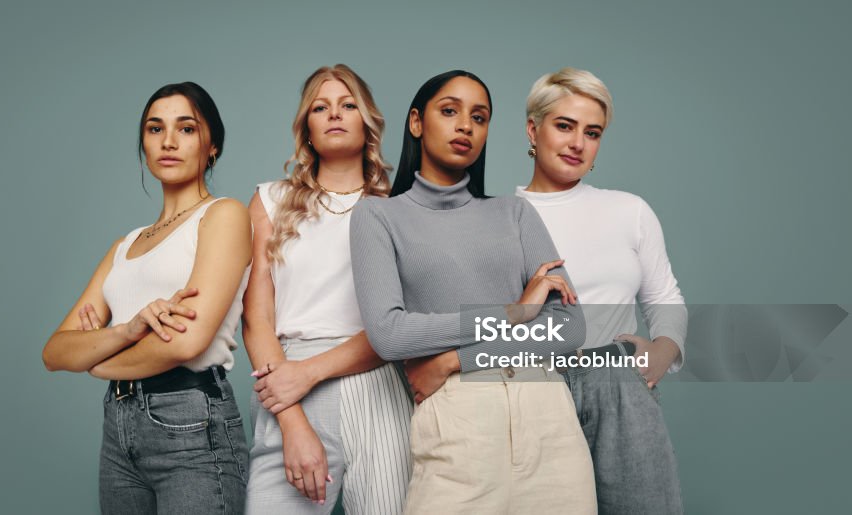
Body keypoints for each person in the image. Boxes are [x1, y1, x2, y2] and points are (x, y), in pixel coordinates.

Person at [350, 70, 596, 514]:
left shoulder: (514, 214)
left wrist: (453, 360)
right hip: (459, 422)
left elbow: (568, 327)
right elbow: (389, 333)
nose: (465, 125)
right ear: (416, 122)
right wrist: (514, 312)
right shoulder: (378, 218)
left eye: (479, 117)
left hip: (547, 415)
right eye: (450, 111)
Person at [42, 82, 252, 515]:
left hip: (192, 422)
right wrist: (129, 329)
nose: (169, 141)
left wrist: (96, 360)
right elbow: (55, 351)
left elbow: (186, 342)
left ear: (212, 145)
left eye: (186, 128)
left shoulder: (223, 215)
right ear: (143, 144)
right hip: (118, 428)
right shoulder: (125, 245)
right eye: (155, 129)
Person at [242, 64, 412, 515]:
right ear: (308, 128)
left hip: (377, 388)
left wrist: (311, 373)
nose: (334, 114)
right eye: (321, 107)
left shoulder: (400, 210)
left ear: (367, 123)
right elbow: (256, 320)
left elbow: (400, 327)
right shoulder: (269, 200)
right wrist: (292, 420)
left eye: (348, 104)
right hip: (285, 380)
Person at [517, 67, 687, 514]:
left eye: (592, 132)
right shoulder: (497, 216)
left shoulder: (628, 211)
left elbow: (665, 297)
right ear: (533, 130)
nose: (578, 143)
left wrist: (664, 350)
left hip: (619, 385)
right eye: (564, 126)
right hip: (534, 386)